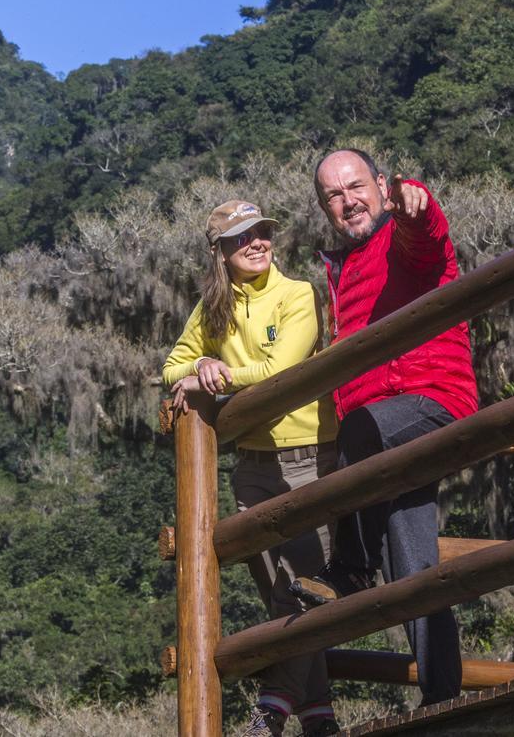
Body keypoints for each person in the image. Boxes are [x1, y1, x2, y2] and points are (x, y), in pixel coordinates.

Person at [297, 148, 478, 706]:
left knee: (359, 432)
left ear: (380, 185)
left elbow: (426, 234)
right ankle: (441, 696)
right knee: (412, 559)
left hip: (429, 404)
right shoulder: (341, 268)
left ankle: (351, 567)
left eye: (356, 187)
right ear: (325, 207)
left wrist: (415, 202)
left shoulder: (401, 239)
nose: (348, 201)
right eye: (333, 195)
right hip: (383, 436)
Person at [162, 199, 341, 737]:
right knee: (281, 598)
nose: (257, 243)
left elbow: (279, 369)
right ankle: (321, 719)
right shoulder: (212, 306)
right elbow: (173, 364)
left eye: (262, 233)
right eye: (243, 238)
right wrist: (200, 363)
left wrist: (217, 379)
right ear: (220, 251)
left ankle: (271, 709)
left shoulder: (298, 294)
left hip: (311, 457)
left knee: (304, 590)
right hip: (252, 466)